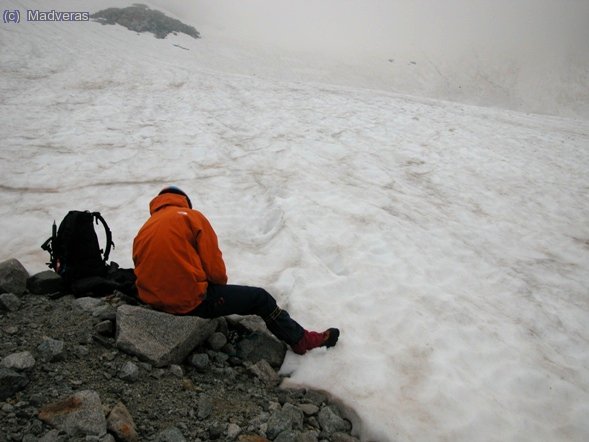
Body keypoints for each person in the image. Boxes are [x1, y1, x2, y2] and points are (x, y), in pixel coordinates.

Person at [132, 186, 339, 355]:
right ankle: (302, 340)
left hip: (153, 301)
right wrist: (216, 291)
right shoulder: (192, 217)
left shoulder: (144, 229)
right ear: (184, 200)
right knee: (260, 298)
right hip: (189, 303)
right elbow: (215, 271)